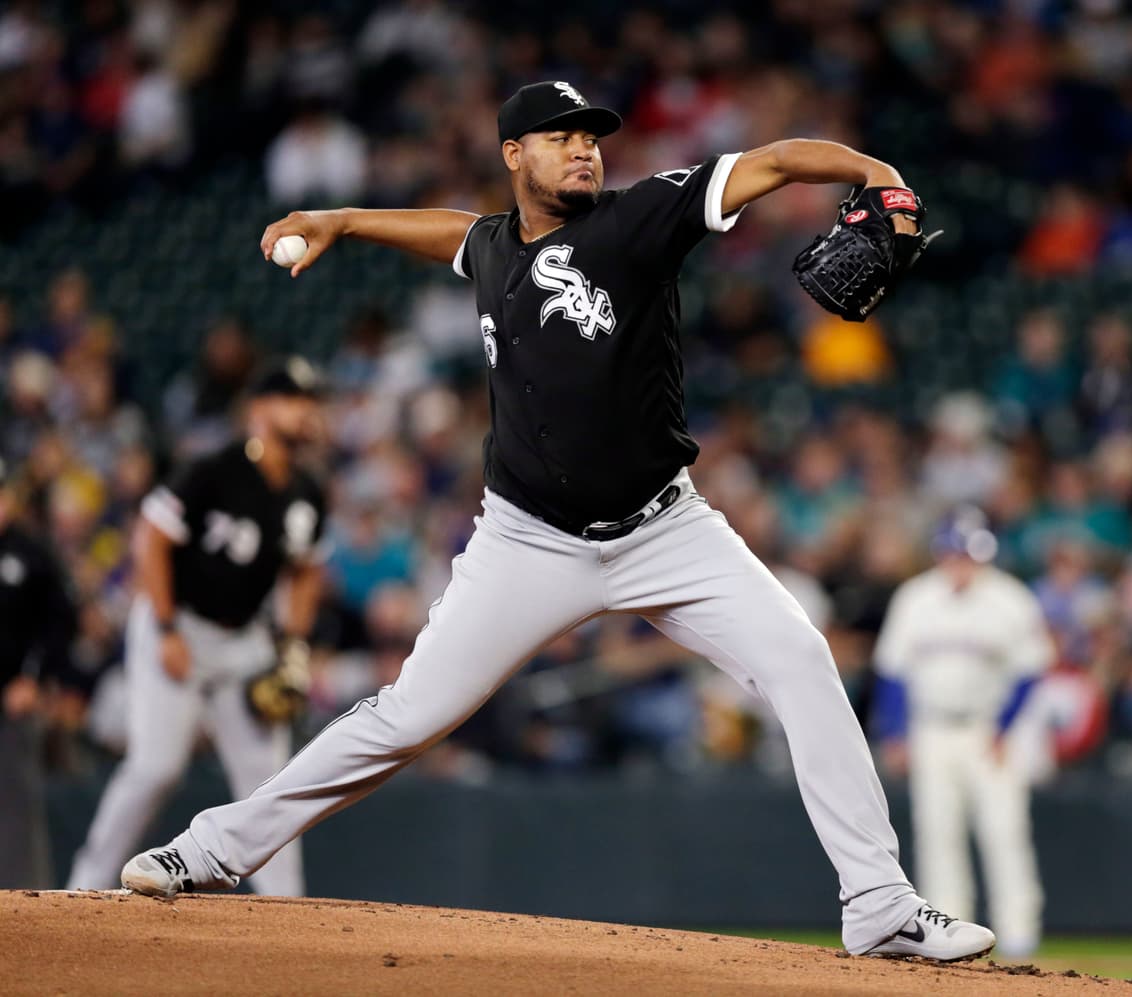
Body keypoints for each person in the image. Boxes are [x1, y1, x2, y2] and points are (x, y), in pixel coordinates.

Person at [122, 81, 995, 961]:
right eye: (559, 136)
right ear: (513, 155)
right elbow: (451, 233)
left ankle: (879, 902)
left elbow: (772, 162)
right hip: (527, 539)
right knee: (406, 715)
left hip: (666, 531)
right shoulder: (495, 246)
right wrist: (343, 220)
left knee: (803, 661)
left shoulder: (640, 219)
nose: (584, 148)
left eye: (591, 136)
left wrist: (875, 169)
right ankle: (210, 848)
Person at [67, 358, 329, 895]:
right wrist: (165, 628)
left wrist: (294, 643)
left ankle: (288, 910)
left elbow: (306, 573)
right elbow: (151, 540)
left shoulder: (308, 493)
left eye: (308, 402)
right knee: (156, 768)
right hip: (180, 625)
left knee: (270, 785)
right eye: (291, 399)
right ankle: (84, 886)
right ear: (258, 409)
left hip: (244, 642)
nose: (304, 411)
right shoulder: (214, 469)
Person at [872, 507, 1054, 958]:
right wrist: (896, 733)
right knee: (938, 833)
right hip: (931, 728)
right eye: (956, 554)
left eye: (971, 556)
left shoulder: (1010, 599)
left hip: (987, 730)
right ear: (941, 553)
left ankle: (1018, 934)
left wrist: (1005, 728)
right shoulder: (915, 597)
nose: (963, 564)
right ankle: (949, 932)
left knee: (1003, 831)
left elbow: (1031, 670)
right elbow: (893, 671)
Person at [0, 456, 78, 888]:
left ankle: (16, 898)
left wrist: (35, 678)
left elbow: (60, 621)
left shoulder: (30, 553)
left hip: (10, 700)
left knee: (13, 805)